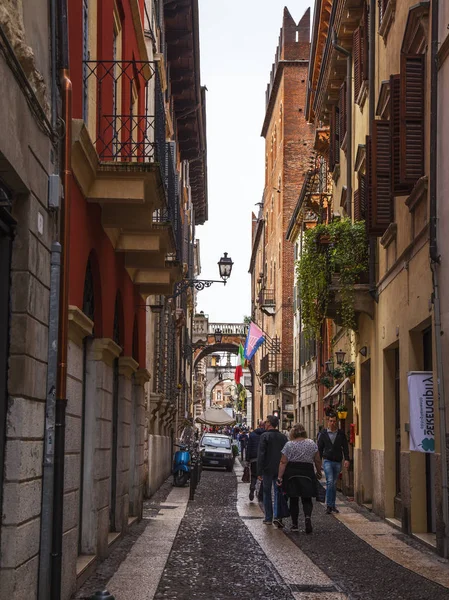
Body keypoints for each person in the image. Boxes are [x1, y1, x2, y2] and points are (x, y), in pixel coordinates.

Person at [277, 423, 322, 533]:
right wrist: (319, 471)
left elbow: (283, 462)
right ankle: (307, 517)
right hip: (307, 472)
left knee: (293, 498)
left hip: (292, 473)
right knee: (306, 498)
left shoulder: (289, 445)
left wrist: (279, 477)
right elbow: (317, 459)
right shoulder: (311, 443)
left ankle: (295, 524)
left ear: (293, 433)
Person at [257, 415, 288, 527]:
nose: (264, 424)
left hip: (267, 469)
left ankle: (268, 517)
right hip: (280, 469)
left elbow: (261, 455)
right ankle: (277, 516)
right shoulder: (283, 437)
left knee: (267, 493)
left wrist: (259, 471)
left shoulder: (264, 436)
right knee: (277, 492)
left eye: (266, 422)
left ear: (269, 423)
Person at [318, 413, 350, 514]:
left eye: (334, 421)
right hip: (327, 460)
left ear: (337, 422)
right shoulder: (323, 434)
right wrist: (318, 463)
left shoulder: (340, 434)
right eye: (331, 421)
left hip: (337, 461)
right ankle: (328, 505)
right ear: (328, 421)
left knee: (334, 483)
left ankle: (332, 505)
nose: (332, 423)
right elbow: (319, 448)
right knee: (330, 482)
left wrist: (347, 459)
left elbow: (345, 447)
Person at [246, 420, 265, 501]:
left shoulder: (252, 434)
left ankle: (253, 486)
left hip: (254, 458)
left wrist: (247, 459)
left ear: (258, 425)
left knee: (254, 475)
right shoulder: (266, 434)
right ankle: (261, 495)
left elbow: (249, 447)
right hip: (264, 459)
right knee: (264, 477)